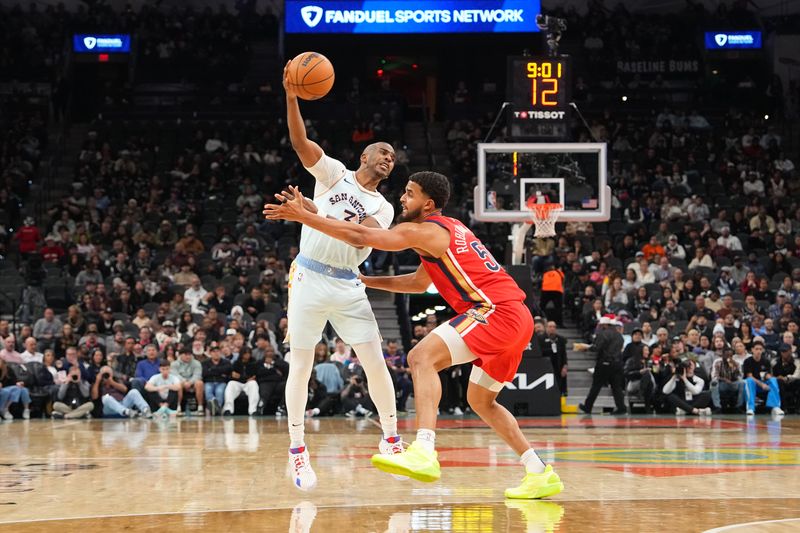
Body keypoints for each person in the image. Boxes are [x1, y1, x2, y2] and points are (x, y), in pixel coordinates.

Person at [264, 171, 562, 499]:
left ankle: (423, 450)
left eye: (409, 193)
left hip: (496, 312)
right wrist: (368, 281)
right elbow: (419, 283)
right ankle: (538, 471)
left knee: (420, 357)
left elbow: (358, 235)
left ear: (428, 203)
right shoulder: (451, 229)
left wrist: (305, 216)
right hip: (517, 318)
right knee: (481, 401)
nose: (402, 199)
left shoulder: (421, 231)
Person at [274, 59, 403, 491]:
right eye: (383, 152)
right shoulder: (333, 175)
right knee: (301, 366)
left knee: (375, 362)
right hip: (308, 277)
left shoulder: (385, 209)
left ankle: (391, 439)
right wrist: (293, 96)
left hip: (348, 283)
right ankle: (297, 452)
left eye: (393, 158)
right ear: (364, 154)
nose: (388, 159)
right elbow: (299, 141)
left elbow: (357, 239)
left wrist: (309, 214)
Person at [575, 317, 626, 415]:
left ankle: (588, 406)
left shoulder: (602, 334)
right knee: (616, 387)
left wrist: (585, 347)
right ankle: (621, 407)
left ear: (604, 325)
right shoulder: (619, 336)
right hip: (617, 364)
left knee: (596, 386)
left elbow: (596, 347)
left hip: (604, 363)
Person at [742, 342, 784, 417]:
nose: (758, 351)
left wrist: (769, 377)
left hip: (763, 382)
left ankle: (775, 407)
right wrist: (762, 385)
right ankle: (750, 408)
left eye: (760, 349)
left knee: (773, 380)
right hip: (753, 384)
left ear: (763, 350)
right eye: (756, 349)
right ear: (752, 350)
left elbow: (766, 374)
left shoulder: (766, 361)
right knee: (749, 381)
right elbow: (749, 376)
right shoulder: (747, 361)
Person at [223, 348, 260, 416]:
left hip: (249, 383)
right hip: (238, 383)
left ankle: (253, 410)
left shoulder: (254, 363)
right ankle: (228, 409)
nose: (247, 355)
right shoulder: (236, 363)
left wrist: (241, 377)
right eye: (245, 353)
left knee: (254, 384)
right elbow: (232, 376)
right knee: (230, 384)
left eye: (249, 353)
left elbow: (255, 376)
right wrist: (243, 378)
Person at [171, 348, 204, 415]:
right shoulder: (174, 364)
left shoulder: (197, 363)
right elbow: (175, 375)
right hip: (181, 382)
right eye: (185, 355)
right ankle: (178, 407)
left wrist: (190, 382)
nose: (188, 356)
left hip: (193, 382)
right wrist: (184, 381)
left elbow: (197, 375)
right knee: (178, 384)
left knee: (200, 383)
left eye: (189, 355)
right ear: (180, 355)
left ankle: (200, 407)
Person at [538, 322, 567, 396]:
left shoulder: (560, 339)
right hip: (545, 366)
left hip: (558, 366)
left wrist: (565, 366)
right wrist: (551, 349)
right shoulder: (540, 338)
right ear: (546, 328)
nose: (552, 328)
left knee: (558, 386)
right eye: (550, 326)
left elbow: (564, 353)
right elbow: (539, 352)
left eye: (554, 327)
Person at [202, 346, 231, 415]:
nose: (216, 353)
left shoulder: (226, 362)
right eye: (214, 352)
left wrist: (211, 370)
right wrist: (220, 372)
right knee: (208, 391)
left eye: (218, 351)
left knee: (219, 392)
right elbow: (205, 373)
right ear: (210, 353)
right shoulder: (205, 362)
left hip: (221, 382)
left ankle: (216, 409)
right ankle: (216, 408)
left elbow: (228, 370)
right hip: (209, 381)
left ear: (220, 353)